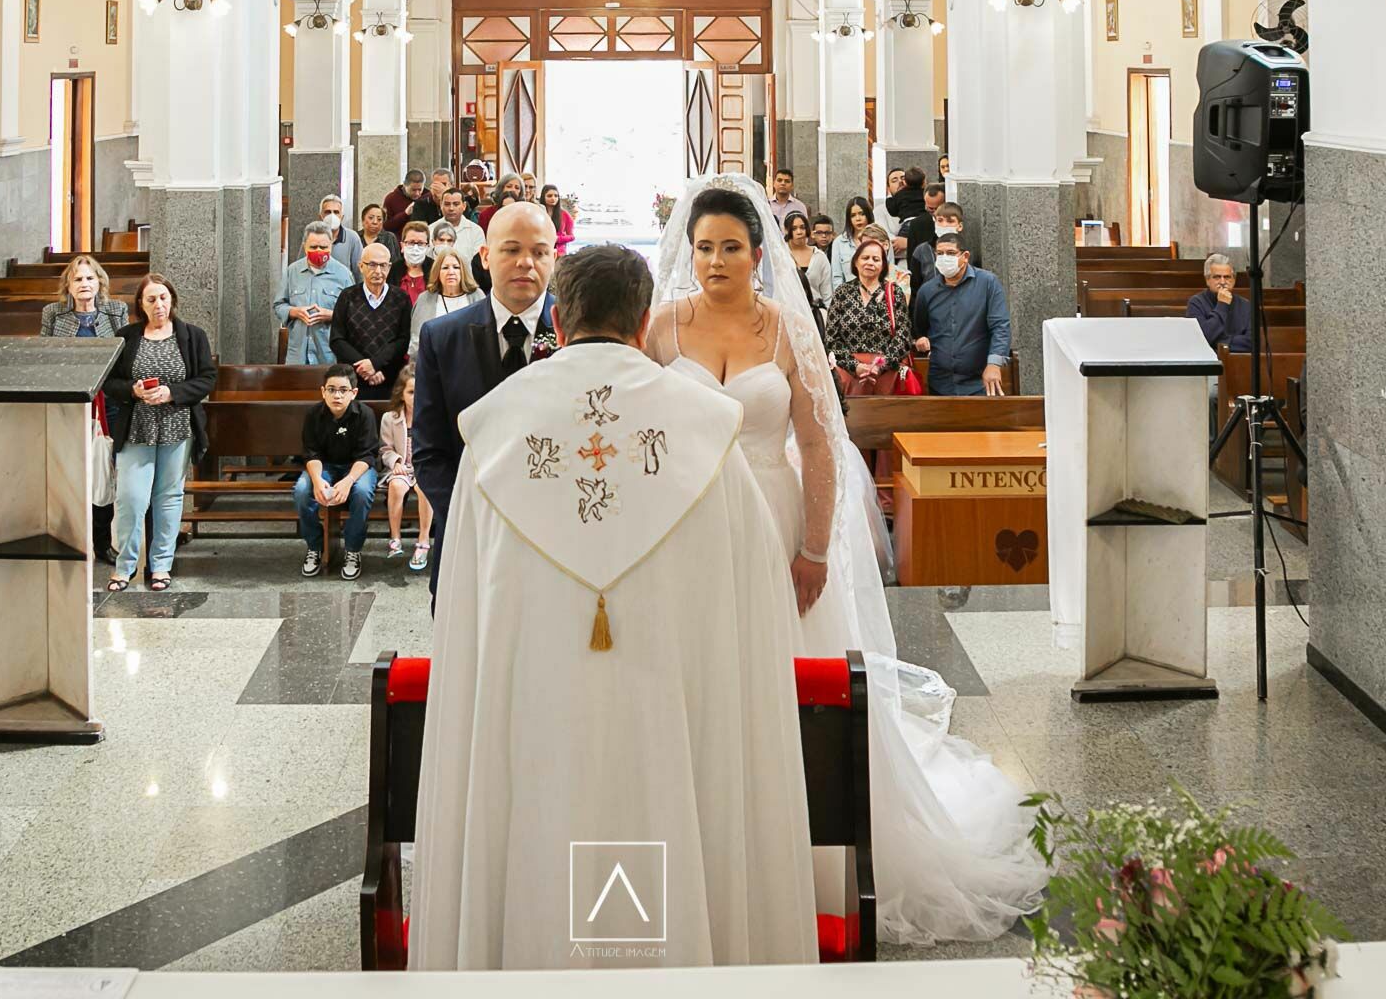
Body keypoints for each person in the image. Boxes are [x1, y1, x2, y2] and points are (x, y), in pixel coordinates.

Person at [646, 176, 1044, 946]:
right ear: (687, 253)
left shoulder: (782, 332)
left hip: (773, 516)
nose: (717, 260)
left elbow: (820, 445)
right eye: (704, 248)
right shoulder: (662, 327)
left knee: (786, 677)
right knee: (702, 677)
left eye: (731, 246)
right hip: (690, 527)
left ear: (758, 254)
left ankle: (798, 840)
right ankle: (705, 833)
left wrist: (815, 546)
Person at [410, 242, 817, 970]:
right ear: (641, 327)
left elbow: (465, 601)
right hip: (673, 716)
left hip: (534, 716)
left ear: (558, 322)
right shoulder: (707, 429)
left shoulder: (497, 429)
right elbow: (753, 609)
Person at [412, 202, 557, 609]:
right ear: (485, 256)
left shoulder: (575, 335)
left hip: (557, 545)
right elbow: (429, 452)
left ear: (554, 258)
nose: (526, 263)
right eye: (511, 250)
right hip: (467, 536)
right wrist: (470, 516)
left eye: (539, 252)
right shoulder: (442, 338)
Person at [104, 274, 216, 592]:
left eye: (164, 298)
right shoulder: (126, 337)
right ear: (141, 304)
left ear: (173, 300)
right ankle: (125, 566)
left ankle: (161, 566)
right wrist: (134, 390)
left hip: (177, 426)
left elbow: (207, 379)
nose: (159, 305)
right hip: (137, 427)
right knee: (130, 498)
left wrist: (172, 393)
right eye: (151, 299)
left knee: (168, 498)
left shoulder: (193, 336)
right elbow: (109, 383)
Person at [40, 254, 130, 556]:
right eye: (78, 279)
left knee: (103, 469)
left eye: (90, 278)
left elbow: (124, 358)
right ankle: (72, 540)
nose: (84, 284)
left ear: (100, 282)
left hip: (108, 402)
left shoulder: (116, 312)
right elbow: (43, 357)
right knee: (70, 470)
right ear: (68, 284)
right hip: (70, 402)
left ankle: (102, 543)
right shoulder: (54, 314)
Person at [294, 364, 380, 580]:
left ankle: (352, 549)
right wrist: (317, 480)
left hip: (357, 468)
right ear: (323, 391)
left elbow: (368, 455)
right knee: (302, 490)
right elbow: (311, 454)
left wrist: (348, 480)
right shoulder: (314, 414)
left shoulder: (364, 415)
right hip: (325, 466)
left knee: (361, 492)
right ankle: (315, 546)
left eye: (343, 390)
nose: (337, 395)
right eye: (331, 389)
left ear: (354, 393)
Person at [911, 232, 1011, 396]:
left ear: (965, 256)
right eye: (940, 254)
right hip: (940, 382)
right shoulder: (927, 291)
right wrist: (921, 339)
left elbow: (1000, 326)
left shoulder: (988, 283)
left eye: (950, 253)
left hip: (980, 380)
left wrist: (994, 364)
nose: (944, 258)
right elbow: (921, 328)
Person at [825, 230, 913, 389]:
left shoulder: (894, 293)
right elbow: (832, 338)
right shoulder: (842, 293)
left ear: (883, 265)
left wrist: (881, 365)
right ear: (856, 262)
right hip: (848, 373)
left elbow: (903, 336)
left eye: (876, 259)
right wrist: (854, 366)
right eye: (865, 258)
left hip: (887, 373)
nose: (870, 263)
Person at [331, 243, 411, 400]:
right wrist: (365, 367)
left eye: (383, 265)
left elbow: (403, 340)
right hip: (354, 381)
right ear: (361, 266)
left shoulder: (401, 298)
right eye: (372, 265)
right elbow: (337, 340)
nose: (378, 271)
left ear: (389, 267)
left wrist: (375, 364)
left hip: (389, 378)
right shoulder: (347, 297)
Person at [275, 222, 354, 364]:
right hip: (297, 356)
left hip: (329, 356)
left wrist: (332, 315)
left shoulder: (344, 274)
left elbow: (354, 315)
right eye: (313, 247)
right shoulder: (292, 271)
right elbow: (279, 305)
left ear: (331, 245)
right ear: (305, 246)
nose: (318, 251)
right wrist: (295, 312)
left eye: (323, 247)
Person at [379, 363, 433, 571]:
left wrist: (425, 465)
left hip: (424, 468)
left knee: (425, 488)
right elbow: (385, 449)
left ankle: (423, 540)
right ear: (401, 394)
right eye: (411, 392)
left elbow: (436, 448)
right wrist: (397, 462)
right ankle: (395, 538)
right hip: (401, 468)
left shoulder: (431, 418)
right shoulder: (390, 419)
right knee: (397, 487)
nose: (415, 397)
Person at [410, 249, 484, 356]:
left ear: (463, 270)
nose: (451, 272)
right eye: (445, 268)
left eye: (456, 267)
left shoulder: (476, 295)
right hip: (434, 365)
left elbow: (486, 336)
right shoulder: (424, 299)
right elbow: (416, 342)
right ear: (437, 272)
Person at [906, 200, 983, 295]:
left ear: (959, 226)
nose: (944, 225)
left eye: (950, 221)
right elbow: (914, 286)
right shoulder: (922, 251)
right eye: (940, 220)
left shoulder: (968, 251)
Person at [1185, 254, 1252, 353]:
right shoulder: (1196, 303)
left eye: (1227, 277)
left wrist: (1217, 342)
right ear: (1207, 280)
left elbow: (1251, 342)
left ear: (1234, 280)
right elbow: (1202, 339)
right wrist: (1222, 305)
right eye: (1217, 277)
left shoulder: (1246, 305)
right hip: (1208, 363)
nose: (1222, 281)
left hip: (1241, 362)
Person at [782, 211, 831, 311]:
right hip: (788, 313)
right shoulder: (781, 256)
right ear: (787, 230)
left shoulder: (819, 257)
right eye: (794, 228)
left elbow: (827, 293)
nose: (799, 232)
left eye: (802, 227)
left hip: (815, 313)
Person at [829, 196, 875, 293]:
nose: (858, 219)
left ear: (868, 214)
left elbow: (890, 271)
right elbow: (837, 277)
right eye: (853, 215)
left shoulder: (881, 239)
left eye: (862, 214)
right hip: (849, 299)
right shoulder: (839, 242)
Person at [428, 186, 485, 263]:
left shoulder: (475, 231)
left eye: (456, 204)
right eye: (447, 204)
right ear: (441, 205)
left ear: (464, 206)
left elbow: (479, 264)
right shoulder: (431, 230)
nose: (451, 208)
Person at [319, 194, 364, 275]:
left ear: (341, 217)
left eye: (336, 212)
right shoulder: (311, 236)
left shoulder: (352, 238)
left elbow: (359, 271)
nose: (332, 216)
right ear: (320, 216)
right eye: (328, 212)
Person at [395, 221, 432, 304]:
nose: (415, 248)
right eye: (411, 242)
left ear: (428, 247)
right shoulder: (392, 271)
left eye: (420, 243)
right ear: (402, 245)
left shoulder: (435, 270)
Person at [383, 169, 425, 234]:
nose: (417, 193)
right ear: (405, 185)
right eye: (413, 190)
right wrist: (405, 214)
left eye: (420, 190)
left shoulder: (427, 196)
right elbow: (386, 227)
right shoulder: (391, 199)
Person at [538, 183, 574, 254]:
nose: (553, 198)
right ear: (543, 197)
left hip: (559, 253)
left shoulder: (564, 214)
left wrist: (557, 239)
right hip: (541, 251)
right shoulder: (538, 212)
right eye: (549, 196)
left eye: (556, 196)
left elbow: (571, 236)